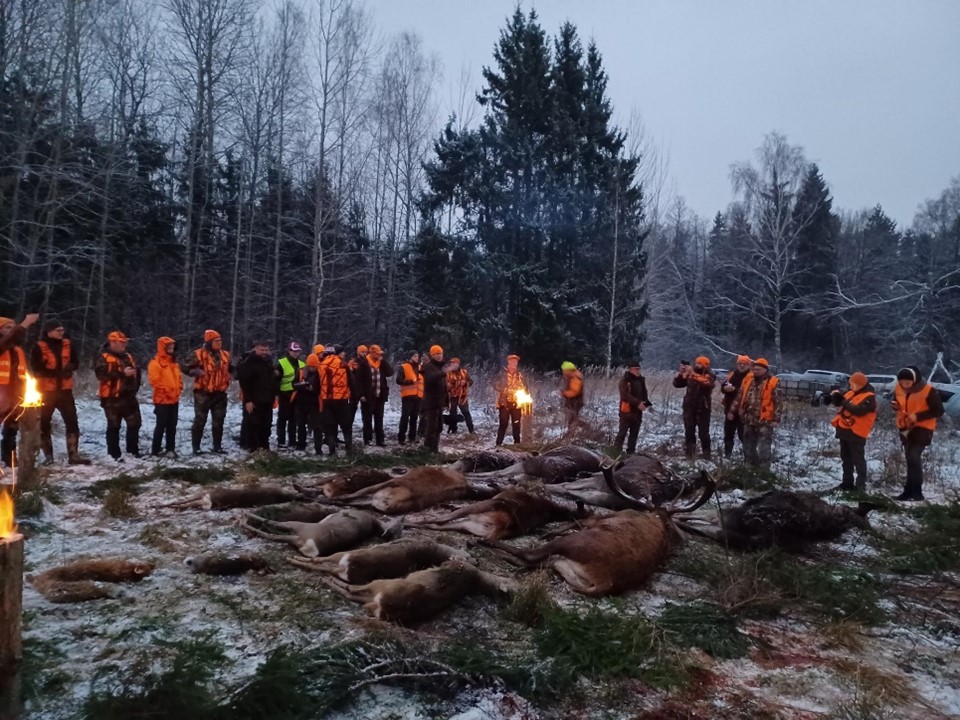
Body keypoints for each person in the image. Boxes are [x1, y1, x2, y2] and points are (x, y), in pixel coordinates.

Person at [30, 319, 89, 465]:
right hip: (46, 391)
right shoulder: (39, 346)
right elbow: (35, 368)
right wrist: (52, 373)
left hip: (64, 391)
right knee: (44, 423)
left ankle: (73, 455)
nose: (61, 333)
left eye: (62, 330)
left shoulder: (68, 344)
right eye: (58, 330)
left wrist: (69, 368)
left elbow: (76, 362)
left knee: (72, 422)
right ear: (49, 331)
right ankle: (49, 457)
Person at [891, 366, 944, 501]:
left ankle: (917, 492)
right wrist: (895, 405)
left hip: (923, 428)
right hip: (905, 427)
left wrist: (918, 416)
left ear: (914, 380)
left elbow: (938, 410)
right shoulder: (899, 388)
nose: (904, 385)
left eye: (907, 383)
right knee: (910, 458)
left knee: (914, 457)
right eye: (902, 383)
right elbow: (897, 401)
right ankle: (908, 490)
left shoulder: (928, 390)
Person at [95, 331, 142, 461]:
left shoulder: (128, 356)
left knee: (135, 424)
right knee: (114, 426)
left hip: (129, 397)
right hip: (111, 398)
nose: (124, 345)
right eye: (121, 343)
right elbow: (101, 375)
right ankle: (113, 454)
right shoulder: (103, 357)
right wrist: (122, 373)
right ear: (112, 342)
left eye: (125, 342)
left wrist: (135, 382)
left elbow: (136, 372)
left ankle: (132, 451)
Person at [826, 371, 877, 491]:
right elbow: (842, 403)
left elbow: (859, 410)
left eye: (853, 384)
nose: (851, 386)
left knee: (858, 459)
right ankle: (847, 483)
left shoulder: (869, 397)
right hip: (845, 430)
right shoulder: (850, 393)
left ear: (860, 385)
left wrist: (843, 401)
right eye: (851, 384)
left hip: (857, 432)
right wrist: (833, 398)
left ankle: (860, 486)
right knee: (846, 458)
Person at [0, 313, 39, 467]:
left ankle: (9, 461)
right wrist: (25, 323)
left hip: (15, 396)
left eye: (12, 327)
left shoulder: (18, 350)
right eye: (7, 327)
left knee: (11, 430)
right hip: (1, 394)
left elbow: (23, 373)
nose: (12, 330)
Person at [186, 329, 232, 455]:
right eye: (216, 341)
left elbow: (232, 368)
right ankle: (196, 447)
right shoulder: (198, 354)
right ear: (209, 342)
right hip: (203, 393)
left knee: (219, 421)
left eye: (220, 341)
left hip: (220, 393)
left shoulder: (226, 355)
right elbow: (185, 367)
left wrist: (234, 374)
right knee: (200, 420)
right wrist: (195, 371)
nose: (219, 343)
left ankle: (217, 447)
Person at [730, 358, 781, 468]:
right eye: (755, 369)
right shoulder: (748, 381)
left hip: (765, 421)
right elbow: (739, 396)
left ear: (765, 370)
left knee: (764, 448)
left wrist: (776, 419)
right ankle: (749, 468)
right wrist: (732, 410)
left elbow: (779, 402)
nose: (756, 371)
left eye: (758, 369)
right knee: (748, 446)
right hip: (748, 419)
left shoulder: (773, 382)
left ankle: (764, 471)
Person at [673, 355, 717, 460]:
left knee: (704, 433)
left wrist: (692, 373)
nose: (698, 365)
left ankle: (707, 456)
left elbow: (707, 383)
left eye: (701, 363)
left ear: (706, 365)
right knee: (689, 431)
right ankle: (689, 455)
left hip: (703, 408)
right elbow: (677, 384)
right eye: (697, 363)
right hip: (689, 407)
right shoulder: (690, 374)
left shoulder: (710, 374)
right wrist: (681, 373)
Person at [236, 340, 276, 452]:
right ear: (255, 349)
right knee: (253, 424)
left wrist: (274, 396)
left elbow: (272, 381)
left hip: (267, 399)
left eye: (266, 350)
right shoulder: (249, 362)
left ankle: (264, 446)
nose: (264, 352)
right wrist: (248, 400)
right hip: (253, 400)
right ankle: (252, 448)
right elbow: (245, 383)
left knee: (267, 424)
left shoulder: (269, 362)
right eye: (262, 350)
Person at [147, 336, 183, 457]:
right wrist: (168, 391)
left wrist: (179, 388)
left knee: (172, 426)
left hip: (174, 399)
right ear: (163, 347)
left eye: (173, 346)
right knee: (161, 425)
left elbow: (178, 379)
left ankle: (170, 449)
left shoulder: (174, 363)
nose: (172, 348)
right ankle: (155, 451)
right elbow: (155, 382)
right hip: (162, 400)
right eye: (169, 346)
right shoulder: (155, 363)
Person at [357, 344, 392, 446]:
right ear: (372, 353)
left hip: (379, 396)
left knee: (379, 420)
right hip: (368, 397)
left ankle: (380, 441)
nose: (379, 355)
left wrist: (383, 361)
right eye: (377, 354)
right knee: (367, 420)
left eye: (380, 354)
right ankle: (367, 441)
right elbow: (358, 381)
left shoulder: (381, 363)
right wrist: (361, 395)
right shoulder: (364, 364)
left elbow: (390, 372)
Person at [320, 346, 353, 455]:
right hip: (342, 399)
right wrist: (355, 394)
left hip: (327, 399)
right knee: (346, 424)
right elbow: (351, 381)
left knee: (329, 425)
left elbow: (317, 383)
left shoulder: (321, 365)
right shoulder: (343, 364)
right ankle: (349, 448)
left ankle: (332, 451)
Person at [719, 355, 752, 459]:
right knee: (728, 435)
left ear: (748, 365)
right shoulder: (732, 375)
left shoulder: (751, 377)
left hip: (744, 412)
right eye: (740, 363)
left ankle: (748, 459)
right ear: (737, 364)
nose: (742, 365)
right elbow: (723, 386)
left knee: (744, 436)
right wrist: (725, 388)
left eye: (744, 364)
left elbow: (748, 392)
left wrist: (734, 389)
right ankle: (727, 456)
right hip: (729, 410)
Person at [615, 361, 650, 454]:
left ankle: (630, 452)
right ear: (630, 369)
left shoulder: (641, 380)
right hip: (626, 410)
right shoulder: (625, 380)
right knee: (622, 433)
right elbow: (625, 395)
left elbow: (644, 393)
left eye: (639, 369)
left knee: (634, 434)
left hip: (637, 412)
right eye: (636, 369)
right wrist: (638, 403)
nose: (638, 371)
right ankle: (616, 452)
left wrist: (646, 403)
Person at [275, 342, 305, 448]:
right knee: (283, 418)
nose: (296, 353)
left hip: (296, 394)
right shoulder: (281, 363)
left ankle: (292, 441)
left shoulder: (301, 364)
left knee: (293, 419)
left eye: (297, 351)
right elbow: (276, 380)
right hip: (284, 394)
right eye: (294, 351)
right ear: (289, 351)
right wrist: (276, 393)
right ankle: (281, 441)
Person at [420, 345, 449, 452]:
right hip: (430, 402)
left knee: (439, 427)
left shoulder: (438, 367)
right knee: (432, 427)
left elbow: (442, 385)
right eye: (436, 354)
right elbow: (429, 380)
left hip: (439, 402)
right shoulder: (427, 366)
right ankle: (427, 449)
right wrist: (443, 373)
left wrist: (446, 401)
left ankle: (434, 450)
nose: (439, 356)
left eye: (440, 353)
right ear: (432, 355)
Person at [493, 354, 526, 446]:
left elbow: (525, 387)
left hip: (517, 402)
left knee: (516, 423)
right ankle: (498, 443)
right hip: (504, 402)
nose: (514, 364)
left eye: (516, 362)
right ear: (508, 362)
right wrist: (503, 389)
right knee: (503, 423)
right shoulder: (502, 374)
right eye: (512, 362)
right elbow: (495, 384)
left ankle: (517, 443)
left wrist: (523, 393)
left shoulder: (520, 375)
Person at [396, 350, 422, 445]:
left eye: (417, 356)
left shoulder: (420, 367)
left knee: (414, 417)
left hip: (418, 395)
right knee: (405, 417)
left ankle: (412, 437)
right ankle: (401, 438)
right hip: (407, 396)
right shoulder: (403, 367)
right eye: (415, 356)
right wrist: (411, 381)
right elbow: (398, 380)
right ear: (410, 357)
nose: (417, 358)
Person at [445, 358, 475, 434]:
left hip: (462, 397)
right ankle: (453, 430)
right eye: (451, 363)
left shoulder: (464, 372)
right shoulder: (447, 373)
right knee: (452, 414)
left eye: (454, 363)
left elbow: (471, 382)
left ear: (458, 364)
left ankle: (471, 430)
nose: (452, 365)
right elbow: (443, 384)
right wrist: (447, 386)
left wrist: (465, 382)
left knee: (466, 413)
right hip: (451, 397)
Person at [559, 361, 585, 433]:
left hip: (575, 402)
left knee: (572, 419)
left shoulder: (575, 378)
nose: (563, 373)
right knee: (572, 418)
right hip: (573, 402)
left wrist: (564, 393)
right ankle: (572, 431)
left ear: (568, 370)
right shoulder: (572, 377)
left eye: (564, 371)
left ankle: (573, 432)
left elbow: (575, 392)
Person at [351, 344, 370, 430]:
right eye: (363, 352)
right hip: (355, 390)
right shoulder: (354, 362)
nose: (364, 353)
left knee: (366, 413)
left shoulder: (367, 362)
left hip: (365, 390)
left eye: (366, 352)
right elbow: (355, 378)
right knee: (351, 411)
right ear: (358, 352)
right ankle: (349, 430)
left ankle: (366, 430)